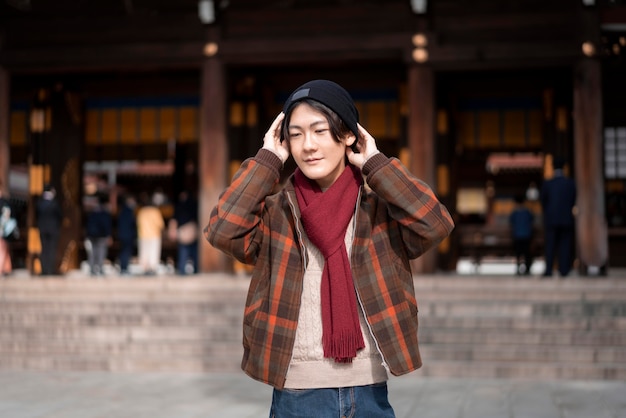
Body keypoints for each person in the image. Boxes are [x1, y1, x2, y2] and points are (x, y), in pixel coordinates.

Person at [205, 80, 454, 417]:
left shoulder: (377, 210)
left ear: (349, 134)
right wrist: (267, 160)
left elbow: (435, 223)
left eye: (320, 130)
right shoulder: (278, 212)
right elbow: (223, 229)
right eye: (295, 134)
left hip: (368, 389)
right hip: (297, 391)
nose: (308, 145)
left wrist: (375, 163)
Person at [540, 157, 577, 277]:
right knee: (565, 244)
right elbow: (573, 200)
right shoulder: (570, 183)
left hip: (551, 219)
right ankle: (564, 269)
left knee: (550, 244)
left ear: (553, 167)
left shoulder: (548, 183)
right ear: (564, 167)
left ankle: (549, 270)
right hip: (566, 218)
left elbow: (543, 201)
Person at [170, 190, 198, 275]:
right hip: (190, 231)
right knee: (190, 253)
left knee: (185, 253)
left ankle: (183, 271)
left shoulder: (181, 206)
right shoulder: (194, 205)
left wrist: (172, 230)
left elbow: (174, 220)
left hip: (186, 231)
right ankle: (194, 270)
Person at [136, 192, 165, 275]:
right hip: (154, 235)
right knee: (153, 252)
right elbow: (160, 224)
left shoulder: (141, 211)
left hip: (143, 235)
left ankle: (145, 269)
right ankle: (152, 268)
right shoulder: (155, 211)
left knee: (144, 252)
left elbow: (138, 223)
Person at [36, 184, 62, 275]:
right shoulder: (54, 203)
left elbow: (37, 215)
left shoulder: (40, 203)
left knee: (44, 249)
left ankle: (44, 270)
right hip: (53, 229)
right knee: (51, 250)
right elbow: (59, 216)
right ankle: (50, 270)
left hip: (42, 229)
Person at [85, 194, 113, 276]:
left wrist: (87, 235)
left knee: (93, 252)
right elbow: (107, 225)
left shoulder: (92, 213)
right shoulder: (104, 213)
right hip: (101, 235)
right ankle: (99, 268)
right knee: (101, 252)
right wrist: (108, 235)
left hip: (92, 235)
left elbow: (88, 225)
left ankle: (92, 268)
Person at [509, 194, 534, 276]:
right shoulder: (527, 211)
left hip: (517, 236)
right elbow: (532, 219)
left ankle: (518, 268)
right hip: (526, 235)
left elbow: (511, 221)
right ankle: (527, 268)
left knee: (518, 253)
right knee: (526, 253)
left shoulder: (515, 212)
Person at [117, 193, 137, 275]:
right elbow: (131, 224)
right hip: (127, 235)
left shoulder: (122, 211)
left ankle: (124, 267)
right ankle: (124, 268)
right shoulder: (128, 212)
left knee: (125, 251)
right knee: (126, 252)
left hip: (123, 235)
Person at [0, 187, 13, 277]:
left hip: (2, 229)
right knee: (3, 250)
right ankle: (5, 268)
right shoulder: (5, 202)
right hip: (3, 229)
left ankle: (4, 268)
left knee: (3, 249)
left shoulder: (4, 202)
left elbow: (6, 216)